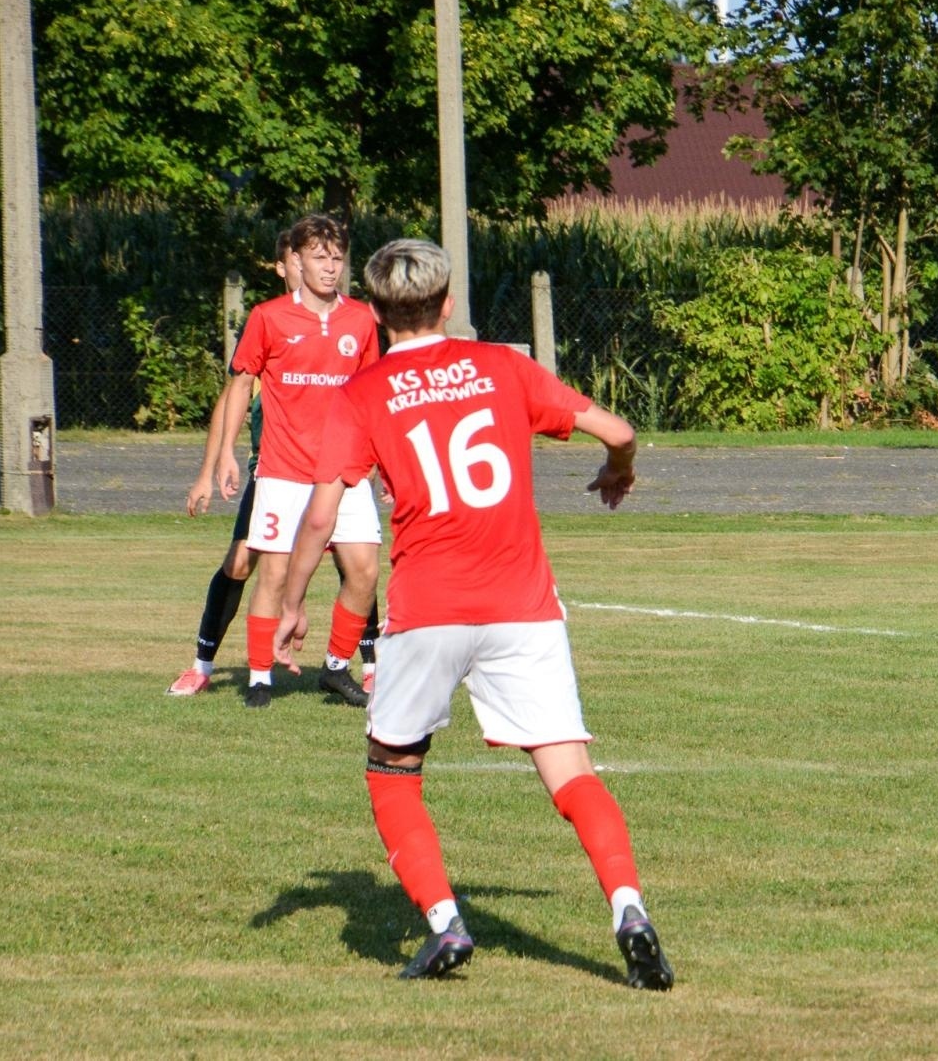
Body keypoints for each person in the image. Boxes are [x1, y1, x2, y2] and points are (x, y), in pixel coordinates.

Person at [272, 237, 673, 987]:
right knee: (570, 773)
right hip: (523, 607)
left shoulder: (362, 394)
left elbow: (323, 513)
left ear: (376, 315)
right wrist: (619, 471)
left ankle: (445, 924)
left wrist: (292, 604)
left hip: (429, 609)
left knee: (393, 770)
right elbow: (619, 432)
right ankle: (628, 909)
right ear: (447, 303)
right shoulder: (500, 365)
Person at [168, 231, 382, 697]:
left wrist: (380, 459)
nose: (326, 266)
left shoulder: (358, 320)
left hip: (338, 471)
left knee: (359, 565)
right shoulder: (267, 320)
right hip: (277, 469)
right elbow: (233, 396)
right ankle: (207, 665)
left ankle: (364, 664)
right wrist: (213, 466)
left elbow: (373, 394)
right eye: (311, 257)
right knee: (245, 564)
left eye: (336, 258)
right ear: (288, 265)